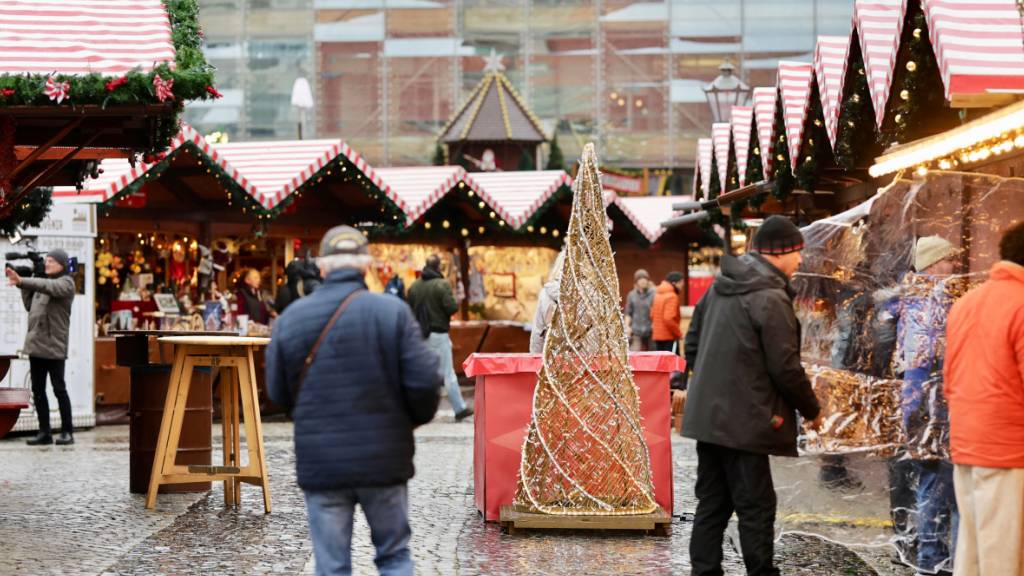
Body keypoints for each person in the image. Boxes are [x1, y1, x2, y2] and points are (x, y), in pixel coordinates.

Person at [266, 226, 440, 576]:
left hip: (322, 461)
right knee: (394, 557)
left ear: (324, 267)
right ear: (365, 266)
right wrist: (406, 423)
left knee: (331, 566)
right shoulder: (392, 313)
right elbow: (425, 384)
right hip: (384, 456)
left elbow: (277, 393)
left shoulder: (291, 320)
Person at [683, 215, 823, 576]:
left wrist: (710, 387)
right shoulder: (769, 297)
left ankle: (705, 571)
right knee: (756, 507)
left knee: (712, 504)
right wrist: (811, 409)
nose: (801, 260)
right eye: (798, 252)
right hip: (745, 420)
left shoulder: (720, 285)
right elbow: (785, 366)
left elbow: (693, 341)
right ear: (780, 252)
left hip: (709, 417)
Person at [945, 222, 1024, 576]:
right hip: (1011, 450)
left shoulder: (967, 302)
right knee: (1004, 558)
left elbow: (949, 377)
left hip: (967, 443)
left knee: (973, 551)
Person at [887, 235, 960, 574]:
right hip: (931, 406)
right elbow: (928, 355)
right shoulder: (933, 298)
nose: (954, 265)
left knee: (928, 484)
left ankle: (930, 556)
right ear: (932, 264)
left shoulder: (906, 296)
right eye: (948, 260)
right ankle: (931, 562)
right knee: (936, 486)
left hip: (913, 404)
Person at [5, 249, 77, 446]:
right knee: (38, 390)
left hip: (54, 345)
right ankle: (44, 432)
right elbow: (30, 306)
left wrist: (24, 280)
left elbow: (48, 286)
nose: (47, 263)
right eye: (46, 260)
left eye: (52, 261)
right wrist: (25, 282)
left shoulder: (66, 283)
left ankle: (67, 432)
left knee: (59, 389)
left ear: (62, 264)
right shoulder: (42, 283)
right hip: (36, 345)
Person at [407, 255, 473, 422]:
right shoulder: (441, 284)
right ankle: (459, 408)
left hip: (420, 335)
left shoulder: (414, 286)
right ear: (438, 268)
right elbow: (451, 307)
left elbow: (409, 310)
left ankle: (417, 409)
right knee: (448, 374)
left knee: (423, 373)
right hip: (438, 334)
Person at [529, 250, 566, 354]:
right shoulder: (591, 295)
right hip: (584, 360)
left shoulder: (546, 294)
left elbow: (537, 331)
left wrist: (535, 358)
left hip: (553, 356)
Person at [651, 271, 684, 352]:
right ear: (674, 283)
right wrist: (679, 334)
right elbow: (668, 319)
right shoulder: (672, 296)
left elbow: (652, 315)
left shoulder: (658, 295)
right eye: (681, 283)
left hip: (658, 336)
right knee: (672, 362)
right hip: (669, 337)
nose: (682, 286)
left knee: (661, 362)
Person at [624, 268, 655, 352]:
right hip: (636, 331)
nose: (643, 281)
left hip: (651, 331)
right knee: (634, 354)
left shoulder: (654, 293)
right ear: (636, 281)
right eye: (640, 279)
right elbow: (628, 313)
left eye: (645, 278)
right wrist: (627, 327)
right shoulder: (631, 295)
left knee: (653, 355)